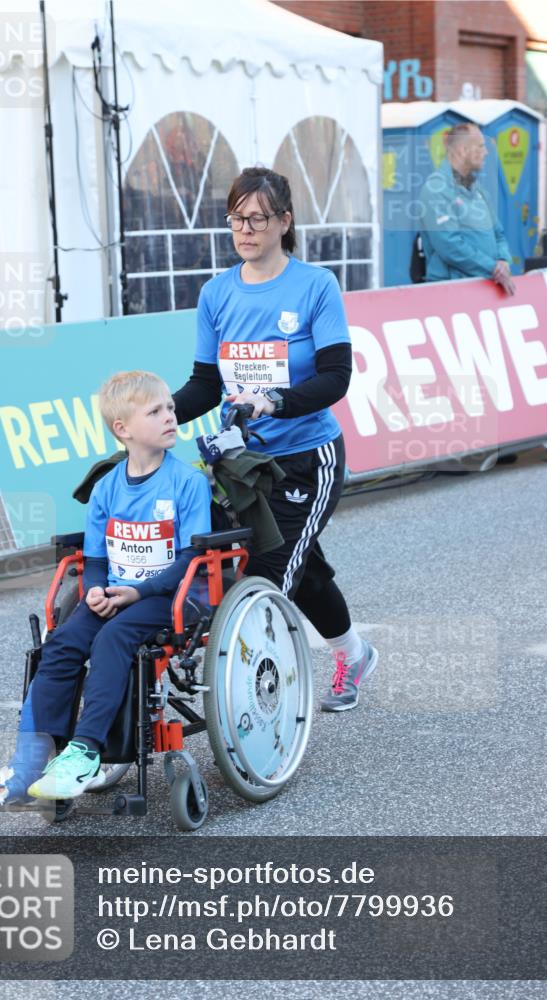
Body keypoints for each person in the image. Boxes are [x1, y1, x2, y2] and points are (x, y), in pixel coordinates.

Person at [173, 166, 378, 713]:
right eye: (236, 218)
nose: (245, 229)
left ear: (284, 222)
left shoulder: (315, 285)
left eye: (258, 219)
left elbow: (336, 377)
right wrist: (159, 413)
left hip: (308, 459)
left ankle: (255, 707)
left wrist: (274, 401)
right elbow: (205, 386)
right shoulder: (216, 293)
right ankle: (353, 654)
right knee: (298, 567)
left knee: (267, 576)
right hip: (243, 464)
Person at [0, 371, 211, 804]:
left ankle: (84, 753)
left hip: (172, 597)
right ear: (122, 429)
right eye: (155, 411)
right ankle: (30, 760)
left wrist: (138, 593)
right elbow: (95, 560)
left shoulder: (188, 482)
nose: (170, 416)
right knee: (62, 641)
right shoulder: (106, 488)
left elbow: (189, 559)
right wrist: (93, 590)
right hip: (116, 593)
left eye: (170, 407)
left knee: (112, 638)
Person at [419, 123, 515, 295]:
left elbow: (498, 234)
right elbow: (449, 246)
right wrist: (493, 268)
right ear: (463, 150)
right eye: (481, 146)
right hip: (452, 292)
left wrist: (503, 260)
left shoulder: (478, 190)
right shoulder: (436, 189)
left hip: (486, 287)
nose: (486, 152)